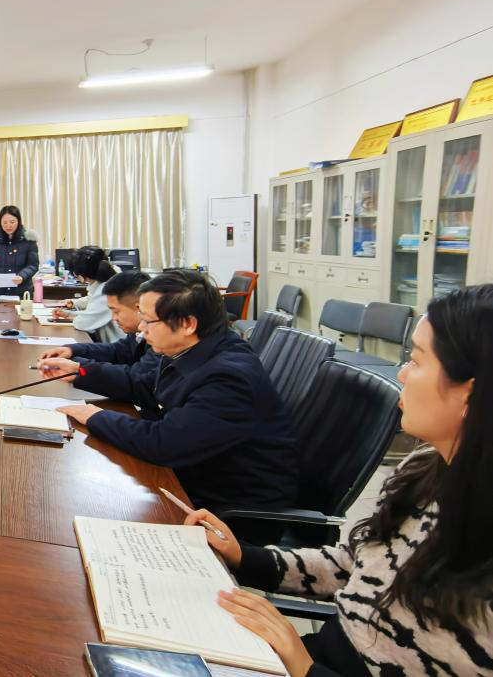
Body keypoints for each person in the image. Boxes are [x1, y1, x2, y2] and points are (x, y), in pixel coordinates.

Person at [186, 284, 493, 677]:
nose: (402, 373)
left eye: (416, 361)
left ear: (470, 394)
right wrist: (244, 556)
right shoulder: (426, 468)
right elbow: (355, 565)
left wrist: (303, 665)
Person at [37, 269, 297, 544]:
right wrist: (80, 371)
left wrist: (95, 417)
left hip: (229, 514)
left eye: (149, 320)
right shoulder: (191, 350)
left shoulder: (228, 377)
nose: (141, 328)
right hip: (193, 480)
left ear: (187, 324)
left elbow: (164, 443)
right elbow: (142, 385)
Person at [39, 270, 153, 368]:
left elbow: (135, 377)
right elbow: (117, 350)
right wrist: (72, 350)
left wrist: (79, 368)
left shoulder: (157, 341)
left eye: (116, 311)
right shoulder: (137, 334)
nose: (113, 318)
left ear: (139, 307)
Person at [53, 246, 121, 342]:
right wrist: (69, 314)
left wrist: (69, 316)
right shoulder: (109, 280)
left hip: (118, 346)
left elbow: (84, 323)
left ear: (80, 276)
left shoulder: (106, 290)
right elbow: (93, 313)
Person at [0, 205, 39, 297]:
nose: (8, 226)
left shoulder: (28, 240)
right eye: (4, 222)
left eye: (12, 222)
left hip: (21, 292)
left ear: (18, 221)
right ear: (0, 223)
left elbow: (33, 265)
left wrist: (22, 276)